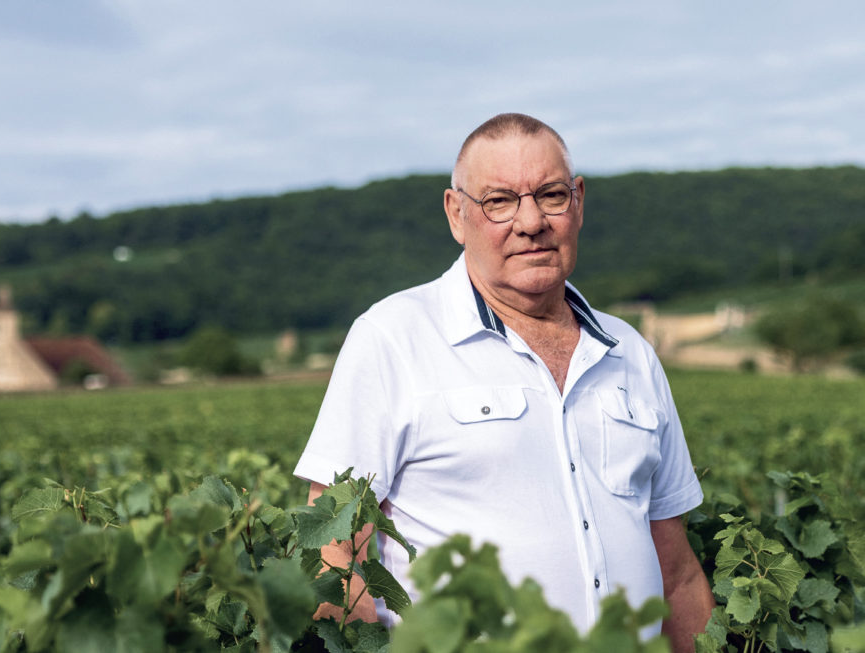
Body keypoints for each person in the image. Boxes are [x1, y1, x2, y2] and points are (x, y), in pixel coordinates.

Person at [294, 113, 714, 652]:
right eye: (500, 201)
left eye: (551, 195)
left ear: (578, 202)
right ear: (457, 214)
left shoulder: (630, 352)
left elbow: (676, 574)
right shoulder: (393, 338)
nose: (532, 221)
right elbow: (334, 554)